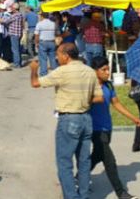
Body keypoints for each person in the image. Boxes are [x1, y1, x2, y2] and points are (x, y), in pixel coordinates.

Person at [30, 43, 103, 199]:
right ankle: (84, 195)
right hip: (86, 118)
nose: (57, 57)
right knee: (84, 162)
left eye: (58, 54)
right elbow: (99, 97)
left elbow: (35, 83)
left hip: (69, 119)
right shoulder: (90, 71)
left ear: (66, 55)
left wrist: (34, 69)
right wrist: (83, 100)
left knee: (64, 162)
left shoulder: (62, 71)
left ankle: (71, 196)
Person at [89, 56, 140, 199]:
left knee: (97, 156)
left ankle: (79, 176)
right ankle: (121, 193)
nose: (107, 72)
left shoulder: (109, 85)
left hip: (107, 127)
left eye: (108, 69)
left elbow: (116, 103)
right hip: (95, 130)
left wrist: (134, 118)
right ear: (95, 71)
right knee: (109, 161)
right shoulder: (89, 86)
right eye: (104, 69)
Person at [35, 12, 59, 76]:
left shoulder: (39, 24)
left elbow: (36, 35)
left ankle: (44, 73)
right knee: (53, 58)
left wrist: (36, 43)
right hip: (52, 42)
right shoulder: (53, 24)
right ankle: (55, 73)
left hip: (43, 42)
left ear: (42, 16)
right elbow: (57, 33)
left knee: (43, 58)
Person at [1, 3, 24, 67]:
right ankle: (19, 62)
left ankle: (17, 64)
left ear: (14, 8)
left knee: (15, 49)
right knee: (18, 49)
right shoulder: (20, 15)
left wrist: (0, 20)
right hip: (18, 33)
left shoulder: (15, 15)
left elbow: (6, 21)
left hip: (14, 34)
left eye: (12, 8)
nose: (11, 9)